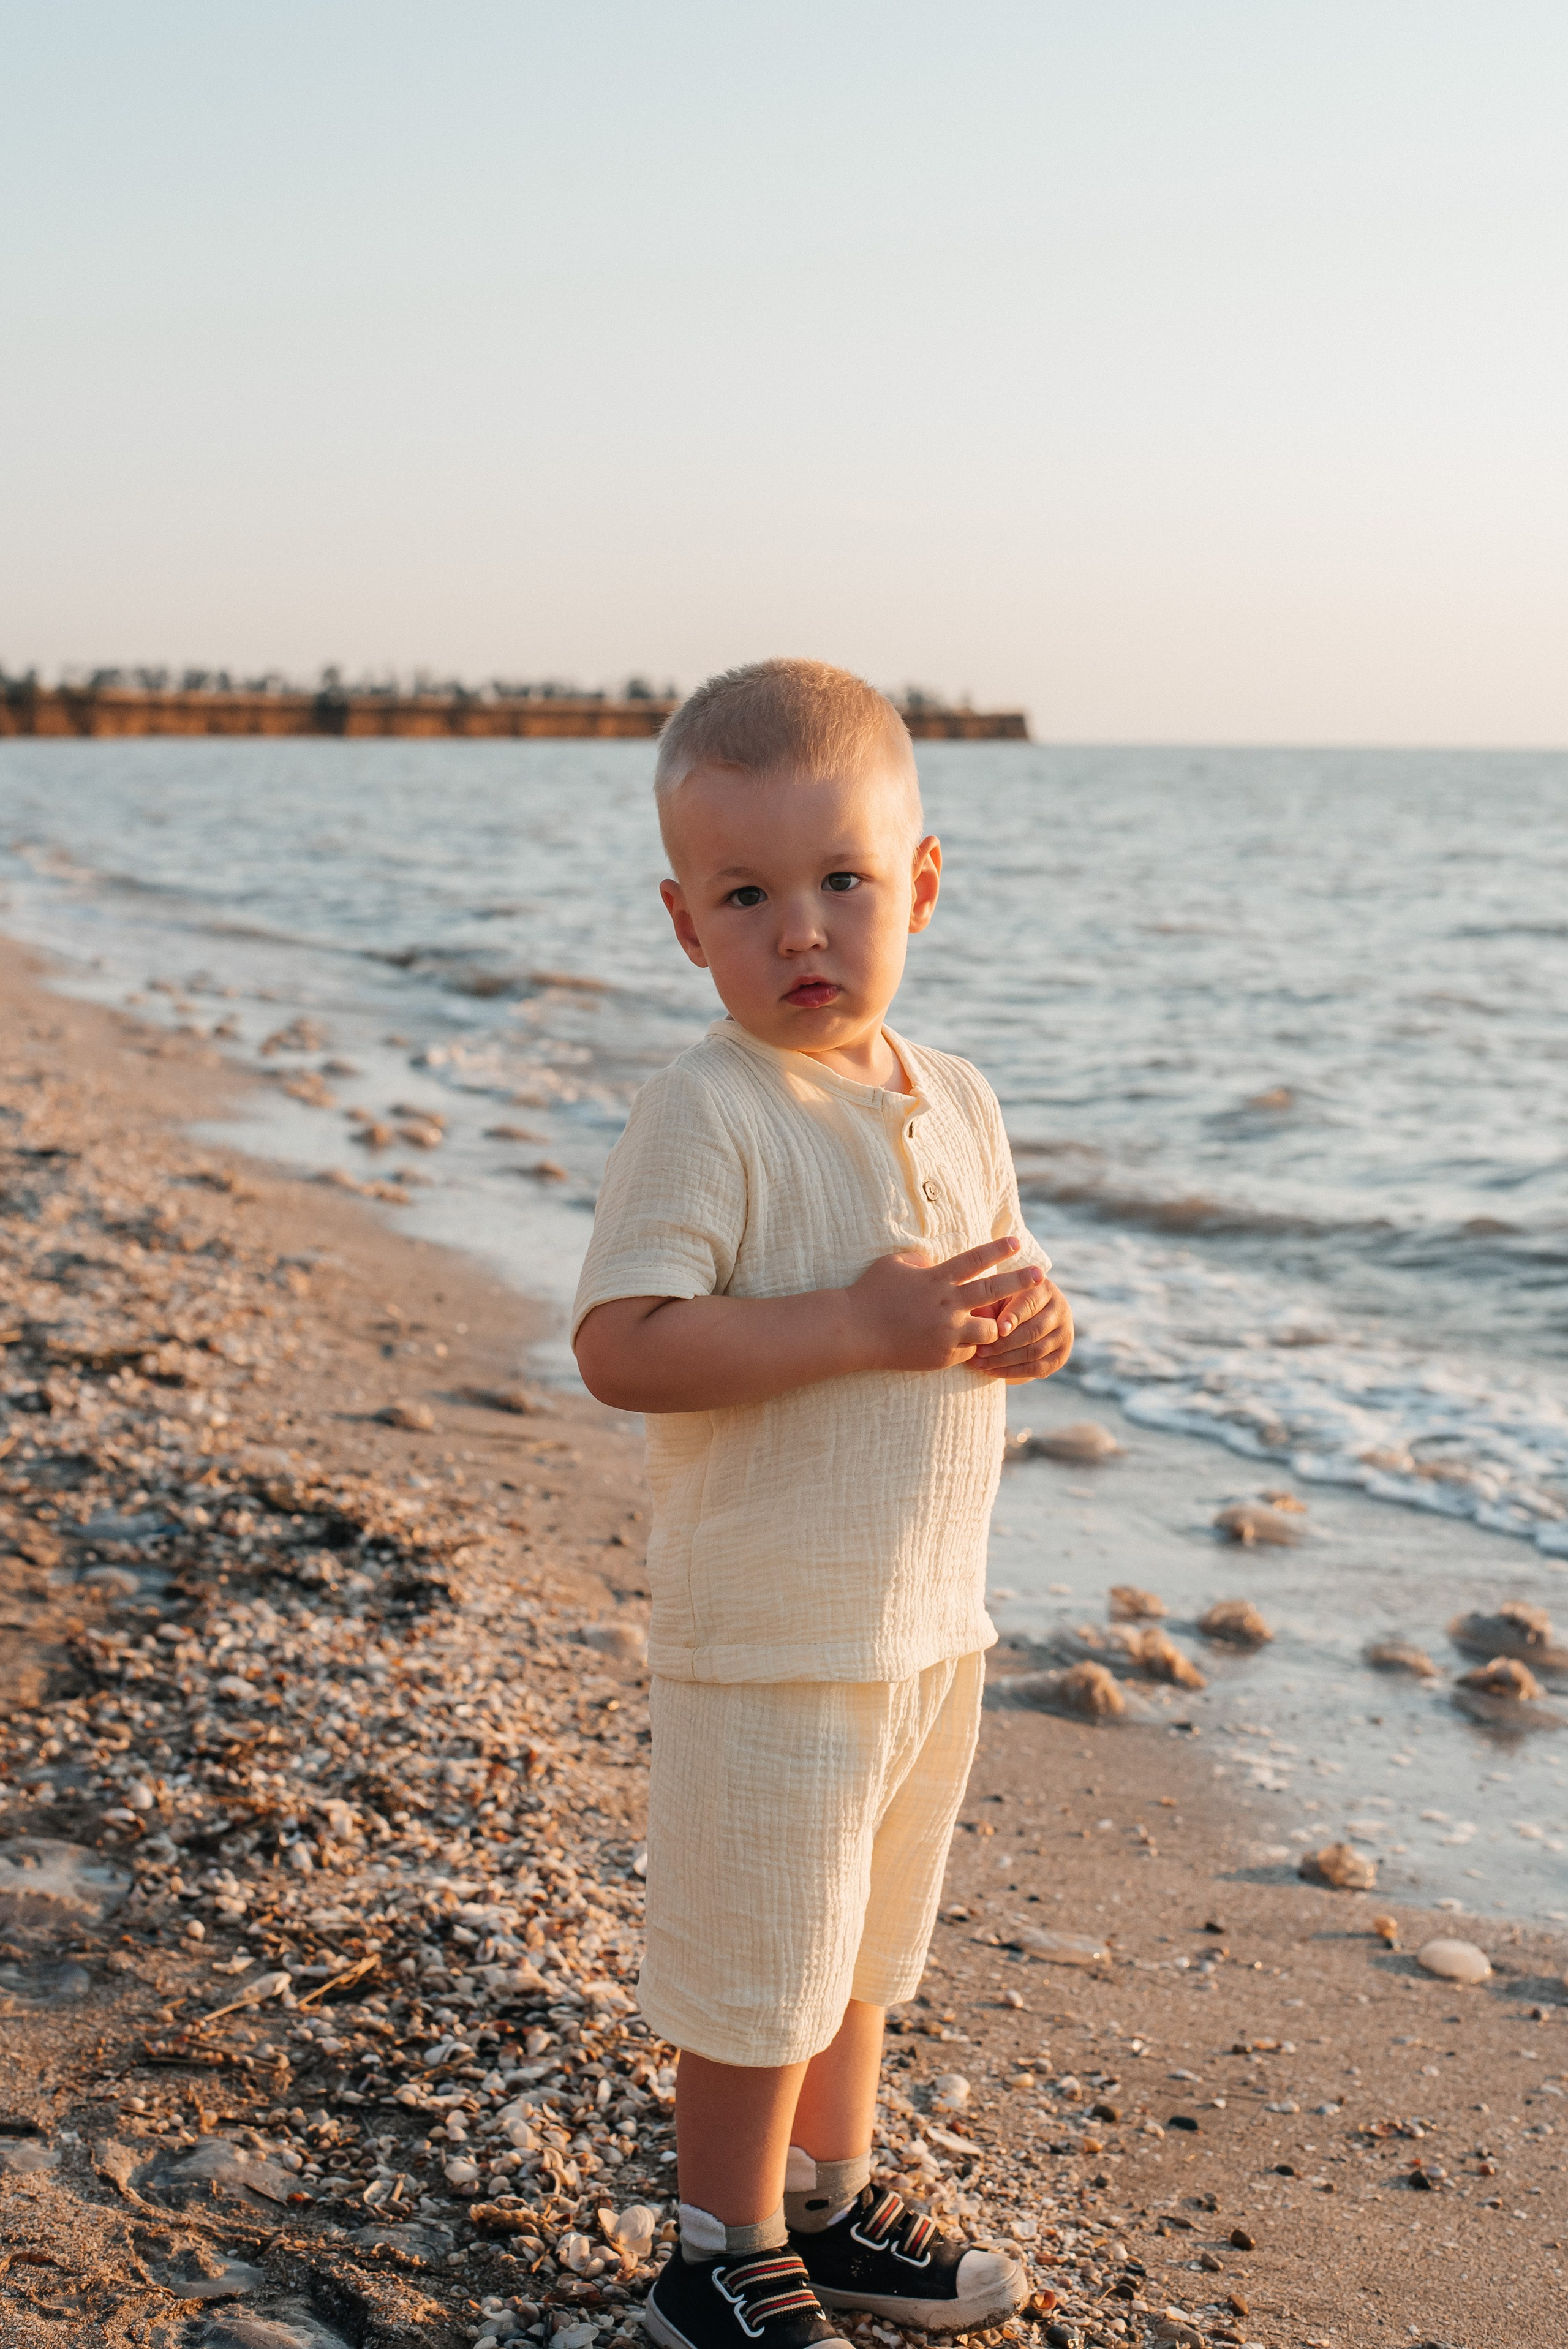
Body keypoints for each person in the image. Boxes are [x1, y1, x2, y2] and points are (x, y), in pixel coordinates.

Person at [573, 660, 1073, 2349]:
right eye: (747, 894)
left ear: (919, 883)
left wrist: (1030, 1332)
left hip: (929, 1616)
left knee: (861, 1945)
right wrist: (853, 1324)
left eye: (843, 882)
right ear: (683, 923)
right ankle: (716, 2243)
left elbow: (972, 1316)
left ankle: (829, 2200)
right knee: (758, 1953)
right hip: (774, 1633)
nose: (804, 929)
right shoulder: (707, 1110)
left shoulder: (962, 1096)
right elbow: (622, 1343)